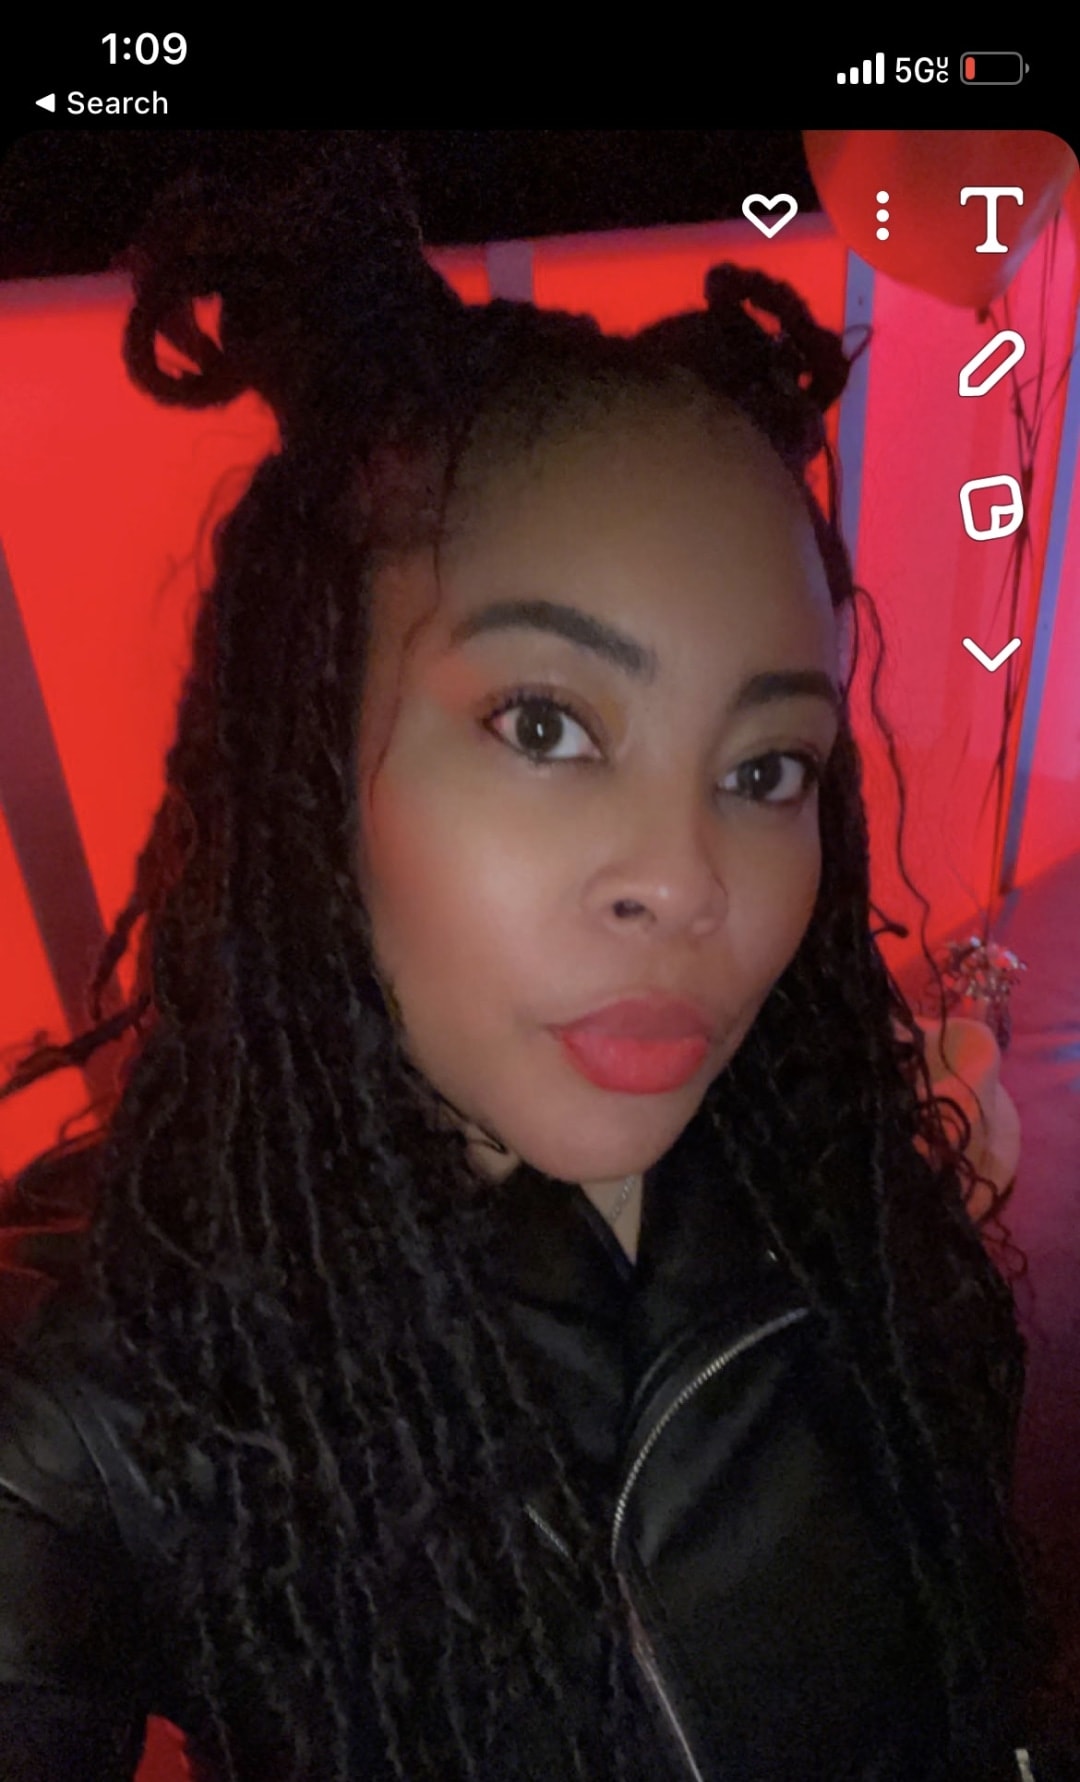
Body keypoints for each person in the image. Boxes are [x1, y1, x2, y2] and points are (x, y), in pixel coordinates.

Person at [0, 136, 1065, 1782]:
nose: (687, 882)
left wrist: (946, 1239)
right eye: (548, 724)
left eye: (766, 766)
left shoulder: (841, 1167)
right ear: (306, 762)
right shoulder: (95, 1384)